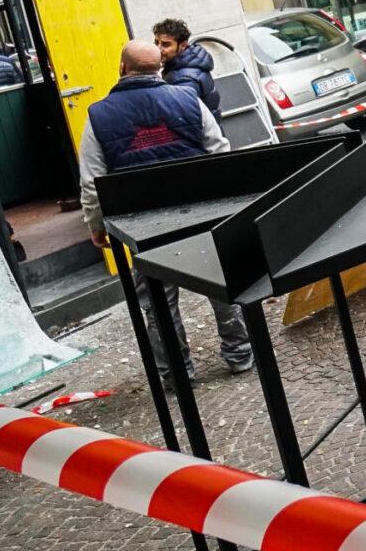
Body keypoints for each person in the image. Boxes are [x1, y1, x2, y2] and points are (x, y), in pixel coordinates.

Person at [78, 41, 255, 375]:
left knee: (158, 300)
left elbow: (92, 181)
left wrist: (96, 223)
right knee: (221, 282)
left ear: (122, 67)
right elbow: (220, 151)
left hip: (143, 225)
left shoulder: (98, 116)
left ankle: (177, 370)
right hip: (200, 212)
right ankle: (240, 354)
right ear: (159, 69)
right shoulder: (189, 100)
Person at [151, 17, 221, 116]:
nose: (158, 48)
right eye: (156, 43)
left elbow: (183, 119)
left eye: (166, 44)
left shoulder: (184, 79)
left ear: (183, 45)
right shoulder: (186, 65)